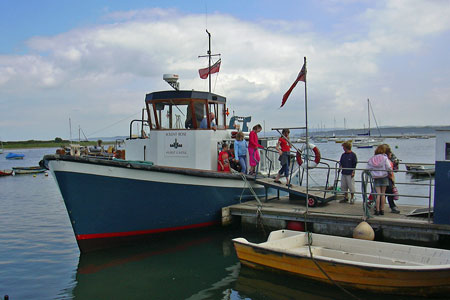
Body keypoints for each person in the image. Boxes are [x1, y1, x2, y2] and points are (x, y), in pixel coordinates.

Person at [367, 144, 392, 216]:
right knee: (383, 194)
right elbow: (389, 167)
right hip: (384, 176)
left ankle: (377, 210)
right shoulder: (384, 158)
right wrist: (389, 173)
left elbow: (368, 168)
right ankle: (382, 210)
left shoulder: (372, 158)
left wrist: (372, 173)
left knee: (378, 194)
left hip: (376, 178)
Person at [384, 144, 400, 213]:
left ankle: (391, 206)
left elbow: (395, 169)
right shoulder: (381, 157)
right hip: (384, 176)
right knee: (384, 192)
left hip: (388, 177)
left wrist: (396, 163)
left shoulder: (392, 157)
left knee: (388, 191)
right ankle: (391, 206)